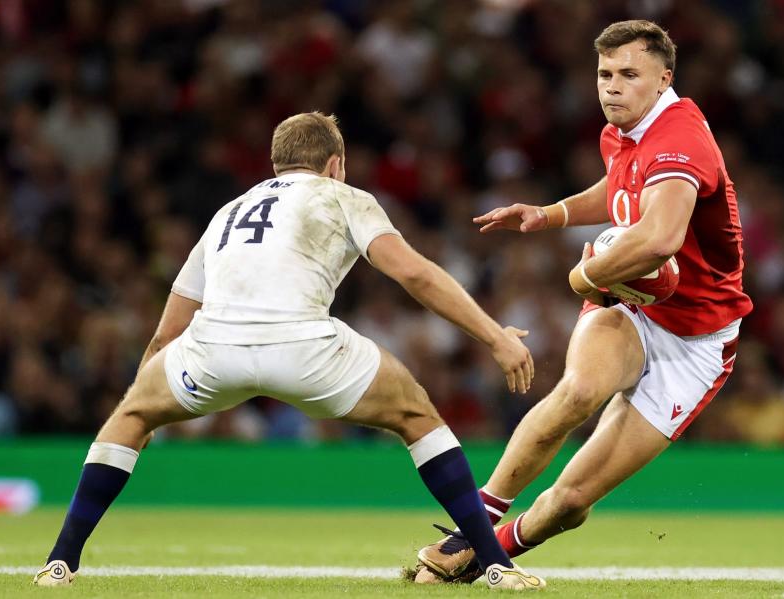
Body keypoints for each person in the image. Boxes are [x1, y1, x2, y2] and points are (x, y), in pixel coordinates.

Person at [34, 112, 545, 591]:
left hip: (213, 350)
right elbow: (413, 272)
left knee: (127, 417)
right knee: (417, 415)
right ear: (335, 164)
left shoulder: (228, 213)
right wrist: (495, 336)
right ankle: (495, 565)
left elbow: (169, 331)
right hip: (304, 350)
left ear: (275, 164)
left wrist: (146, 402)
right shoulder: (342, 195)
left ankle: (61, 561)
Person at [414, 19, 753, 583]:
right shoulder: (621, 132)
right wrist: (549, 215)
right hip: (633, 305)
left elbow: (662, 238)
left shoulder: (679, 137)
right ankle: (471, 529)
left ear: (664, 77)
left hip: (696, 342)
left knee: (569, 502)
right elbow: (619, 189)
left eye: (628, 74)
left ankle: (488, 549)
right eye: (604, 74)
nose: (611, 87)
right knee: (578, 392)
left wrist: (582, 278)